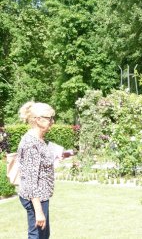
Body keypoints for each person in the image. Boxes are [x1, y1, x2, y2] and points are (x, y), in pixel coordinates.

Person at [17, 101, 72, 239]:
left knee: (43, 235)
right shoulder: (31, 143)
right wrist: (38, 211)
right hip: (36, 198)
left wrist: (59, 155)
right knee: (37, 236)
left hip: (41, 196)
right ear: (38, 120)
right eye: (49, 118)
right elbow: (30, 180)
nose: (52, 122)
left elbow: (41, 162)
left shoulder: (38, 139)